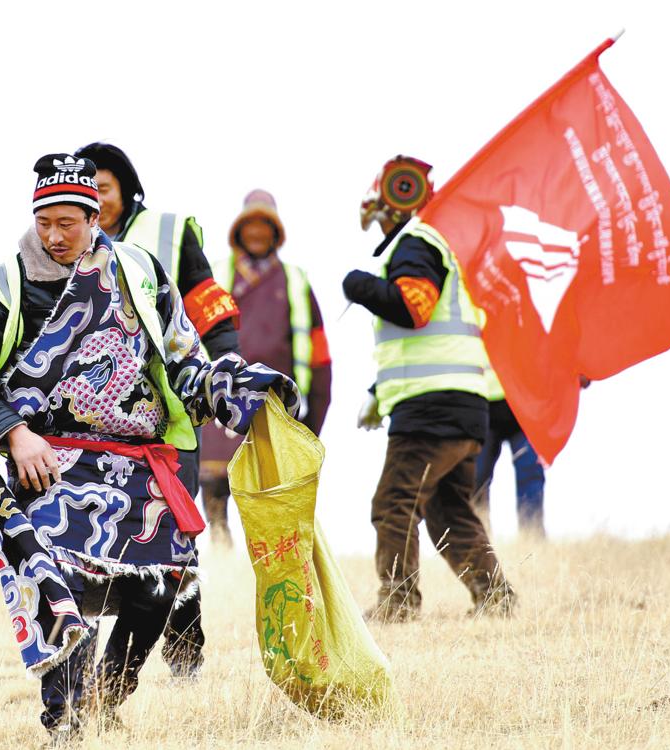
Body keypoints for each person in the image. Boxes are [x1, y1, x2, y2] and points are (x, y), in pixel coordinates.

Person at [0, 153, 299, 740]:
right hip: (49, 463)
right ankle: (67, 721)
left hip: (136, 462)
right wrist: (16, 435)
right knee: (62, 591)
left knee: (162, 581)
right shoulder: (12, 284)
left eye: (67, 223)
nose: (54, 236)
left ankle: (107, 697)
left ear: (94, 215)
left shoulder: (140, 271)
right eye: (43, 223)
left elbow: (183, 358)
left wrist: (232, 389)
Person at [73, 141, 240, 679]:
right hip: (90, 429)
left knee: (172, 538)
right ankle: (80, 675)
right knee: (89, 543)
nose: (95, 200)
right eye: (86, 191)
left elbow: (209, 305)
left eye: (103, 188)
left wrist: (228, 368)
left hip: (167, 421)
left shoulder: (168, 231)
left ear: (126, 189)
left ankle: (185, 658)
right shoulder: (65, 240)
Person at [342, 155, 516, 622]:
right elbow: (428, 336)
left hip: (430, 409)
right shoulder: (440, 249)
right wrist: (380, 391)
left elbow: (413, 309)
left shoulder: (416, 244)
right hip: (464, 404)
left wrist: (358, 286)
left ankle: (398, 602)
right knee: (448, 512)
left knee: (393, 503)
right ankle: (495, 597)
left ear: (390, 209)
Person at [200, 189, 333, 546]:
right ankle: (221, 546)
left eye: (265, 226)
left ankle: (267, 553)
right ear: (239, 232)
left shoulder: (295, 282)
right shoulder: (215, 277)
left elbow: (319, 356)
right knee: (214, 480)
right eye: (250, 226)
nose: (257, 233)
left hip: (276, 404)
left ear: (275, 233)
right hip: (221, 399)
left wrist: (312, 420)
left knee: (270, 490)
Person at [472, 364, 547, 537]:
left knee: (531, 475)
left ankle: (532, 541)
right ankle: (479, 544)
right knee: (476, 479)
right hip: (484, 403)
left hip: (525, 403)